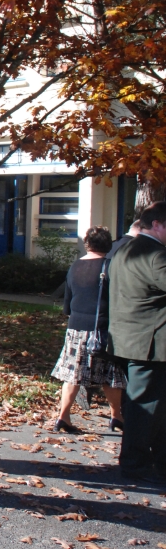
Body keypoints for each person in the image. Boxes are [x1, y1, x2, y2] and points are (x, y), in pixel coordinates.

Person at [108, 200, 166, 485]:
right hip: (149, 345)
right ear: (157, 225)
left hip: (129, 340)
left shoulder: (124, 249)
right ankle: (136, 464)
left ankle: (151, 462)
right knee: (145, 409)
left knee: (148, 406)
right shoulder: (155, 255)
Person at [50, 226, 125, 434]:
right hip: (103, 328)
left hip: (76, 327)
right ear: (108, 245)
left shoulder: (75, 266)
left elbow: (67, 302)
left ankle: (63, 416)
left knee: (73, 375)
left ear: (87, 244)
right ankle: (116, 416)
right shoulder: (110, 266)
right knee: (111, 375)